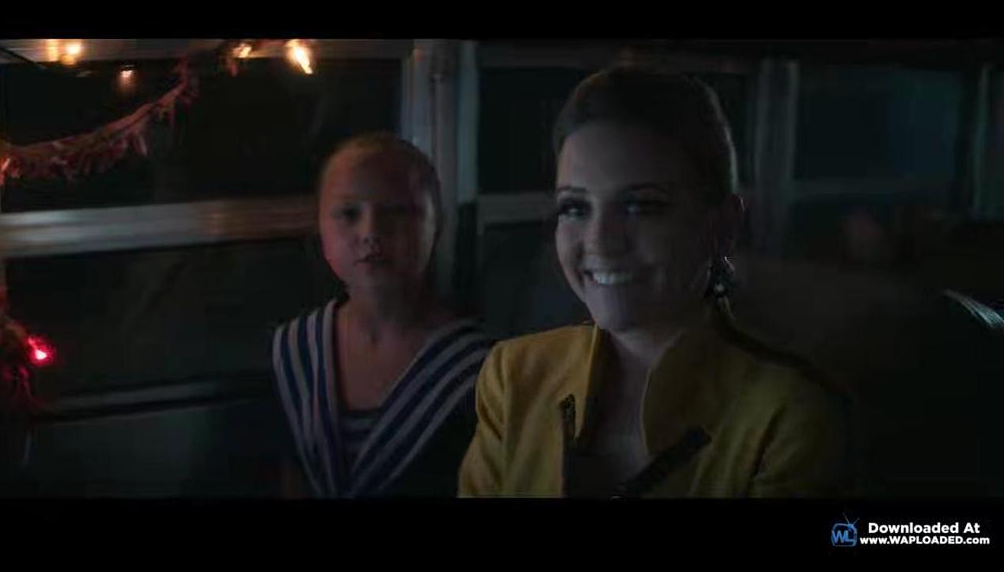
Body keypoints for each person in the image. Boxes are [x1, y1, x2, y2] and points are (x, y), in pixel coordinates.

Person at [459, 67, 851, 497]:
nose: (600, 241)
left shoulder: (786, 417)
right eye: (575, 208)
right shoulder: (513, 376)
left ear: (722, 227)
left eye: (641, 206)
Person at [272, 132, 491, 497]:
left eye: (398, 212)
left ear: (436, 225)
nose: (371, 232)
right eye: (349, 214)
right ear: (320, 228)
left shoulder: (480, 368)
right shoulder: (297, 351)